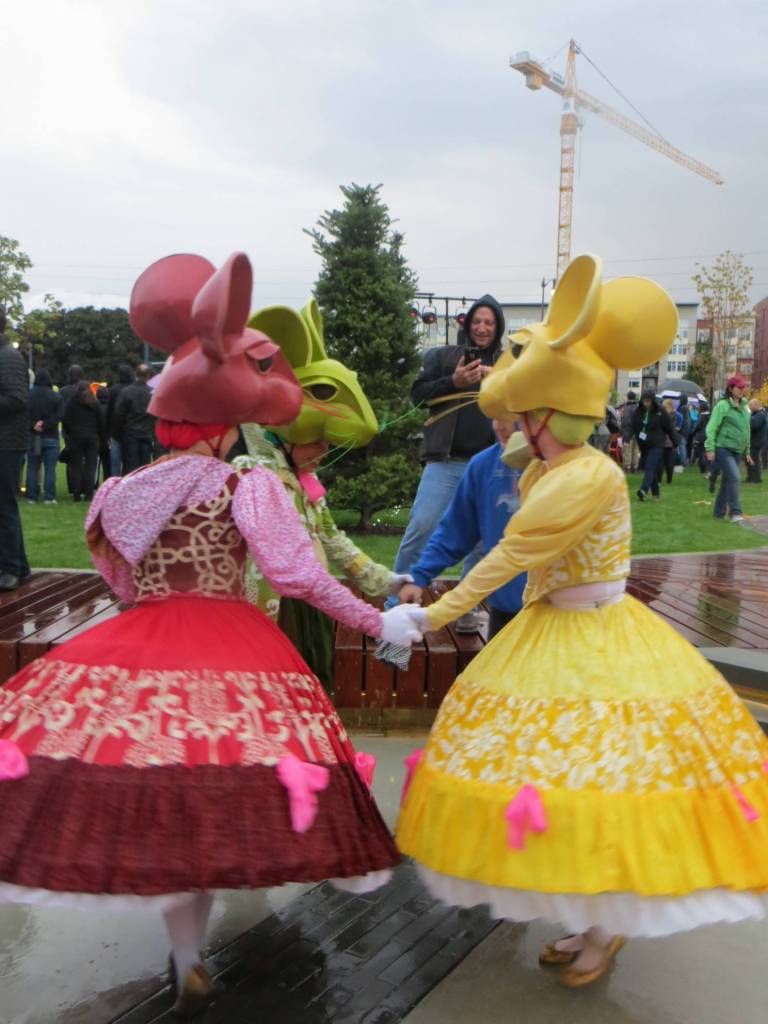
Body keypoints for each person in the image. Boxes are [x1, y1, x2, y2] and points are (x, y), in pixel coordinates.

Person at [0, 252, 417, 1018]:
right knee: (219, 787)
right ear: (228, 423)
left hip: (147, 642)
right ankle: (195, 942)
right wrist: (377, 617)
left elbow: (118, 578)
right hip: (236, 648)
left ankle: (187, 955)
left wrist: (153, 611)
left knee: (164, 789)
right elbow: (298, 576)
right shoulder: (245, 483)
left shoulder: (123, 491)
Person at [394, 254, 768, 988]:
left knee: (603, 783)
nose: (517, 427)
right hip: (549, 632)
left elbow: (508, 555)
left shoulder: (586, 477)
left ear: (550, 415)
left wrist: (431, 615)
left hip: (597, 639)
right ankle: (582, 917)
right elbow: (503, 527)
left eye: (526, 415)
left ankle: (605, 927)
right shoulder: (549, 469)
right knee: (553, 783)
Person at [234, 298, 409, 690]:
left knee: (314, 692)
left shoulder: (308, 487)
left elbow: (334, 541)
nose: (323, 452)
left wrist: (386, 581)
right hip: (270, 616)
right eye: (317, 441)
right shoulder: (255, 478)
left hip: (312, 608)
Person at [389, 294, 505, 632]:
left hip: (488, 466)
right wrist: (454, 382)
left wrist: (500, 377)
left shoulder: (509, 362)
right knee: (422, 526)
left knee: (483, 541)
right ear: (468, 324)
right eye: (477, 321)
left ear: (497, 328)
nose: (482, 328)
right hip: (446, 460)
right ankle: (397, 602)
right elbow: (418, 394)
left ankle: (466, 609)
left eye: (489, 322)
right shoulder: (442, 357)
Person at [396, 419, 527, 641]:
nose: (499, 425)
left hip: (559, 617)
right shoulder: (483, 465)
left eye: (509, 415)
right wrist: (419, 575)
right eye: (494, 416)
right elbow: (455, 531)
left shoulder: (572, 469)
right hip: (504, 613)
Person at [0, 309, 30, 591]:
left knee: (4, 507)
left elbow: (17, 399)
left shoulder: (7, 356)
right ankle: (19, 565)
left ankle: (9, 569)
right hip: (5, 441)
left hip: (6, 443)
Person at [705, 374, 752, 522]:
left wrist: (747, 451)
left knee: (727, 482)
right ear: (731, 388)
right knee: (735, 477)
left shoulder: (745, 406)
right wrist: (710, 448)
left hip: (737, 450)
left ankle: (718, 513)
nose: (742, 390)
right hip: (723, 448)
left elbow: (746, 430)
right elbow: (711, 427)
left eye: (743, 387)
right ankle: (735, 513)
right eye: (739, 387)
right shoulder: (723, 405)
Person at [62, 379, 106, 502]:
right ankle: (89, 493)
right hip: (92, 438)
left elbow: (66, 420)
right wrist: (101, 438)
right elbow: (101, 422)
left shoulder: (71, 402)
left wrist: (70, 433)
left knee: (77, 466)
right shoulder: (94, 403)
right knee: (90, 466)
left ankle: (76, 492)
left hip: (76, 437)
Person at [25, 369, 63, 504]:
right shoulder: (56, 397)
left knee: (33, 467)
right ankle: (49, 497)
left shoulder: (28, 396)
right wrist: (45, 424)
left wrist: (33, 425)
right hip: (51, 437)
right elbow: (59, 416)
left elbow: (23, 415)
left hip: (34, 437)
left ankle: (31, 496)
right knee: (50, 468)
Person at [632, 390, 677, 501]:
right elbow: (633, 425)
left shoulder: (661, 412)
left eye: (648, 401)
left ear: (653, 401)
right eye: (644, 401)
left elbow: (669, 428)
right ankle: (656, 494)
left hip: (657, 444)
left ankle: (643, 490)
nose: (646, 403)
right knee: (650, 468)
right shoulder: (638, 412)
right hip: (644, 444)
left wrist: (675, 442)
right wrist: (628, 437)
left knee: (649, 467)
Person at [113, 362, 155, 472]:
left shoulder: (126, 392)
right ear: (147, 376)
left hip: (130, 434)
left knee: (131, 467)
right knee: (145, 468)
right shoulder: (152, 393)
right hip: (146, 434)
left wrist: (117, 433)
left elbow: (119, 414)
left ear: (135, 374)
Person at [106, 363, 134, 475]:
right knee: (129, 462)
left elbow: (109, 412)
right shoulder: (133, 389)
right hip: (131, 430)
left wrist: (107, 431)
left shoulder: (113, 390)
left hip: (115, 430)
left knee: (115, 463)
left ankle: (115, 484)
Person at [657, 398, 679, 485]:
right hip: (670, 440)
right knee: (669, 462)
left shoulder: (661, 415)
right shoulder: (674, 415)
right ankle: (669, 480)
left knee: (660, 462)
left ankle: (658, 480)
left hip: (661, 440)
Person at [746, 398, 767, 484]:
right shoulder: (755, 414)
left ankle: (756, 478)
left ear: (756, 405)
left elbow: (754, 425)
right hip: (753, 441)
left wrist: (748, 418)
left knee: (754, 459)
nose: (749, 407)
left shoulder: (760, 414)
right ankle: (751, 477)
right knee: (750, 459)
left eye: (750, 405)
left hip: (757, 441)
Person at [619, 390, 639, 472]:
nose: (624, 398)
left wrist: (621, 426)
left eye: (625, 396)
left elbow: (626, 422)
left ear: (628, 397)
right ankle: (634, 467)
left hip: (628, 433)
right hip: (637, 433)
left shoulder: (627, 408)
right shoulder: (638, 407)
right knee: (635, 450)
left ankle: (627, 468)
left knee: (627, 451)